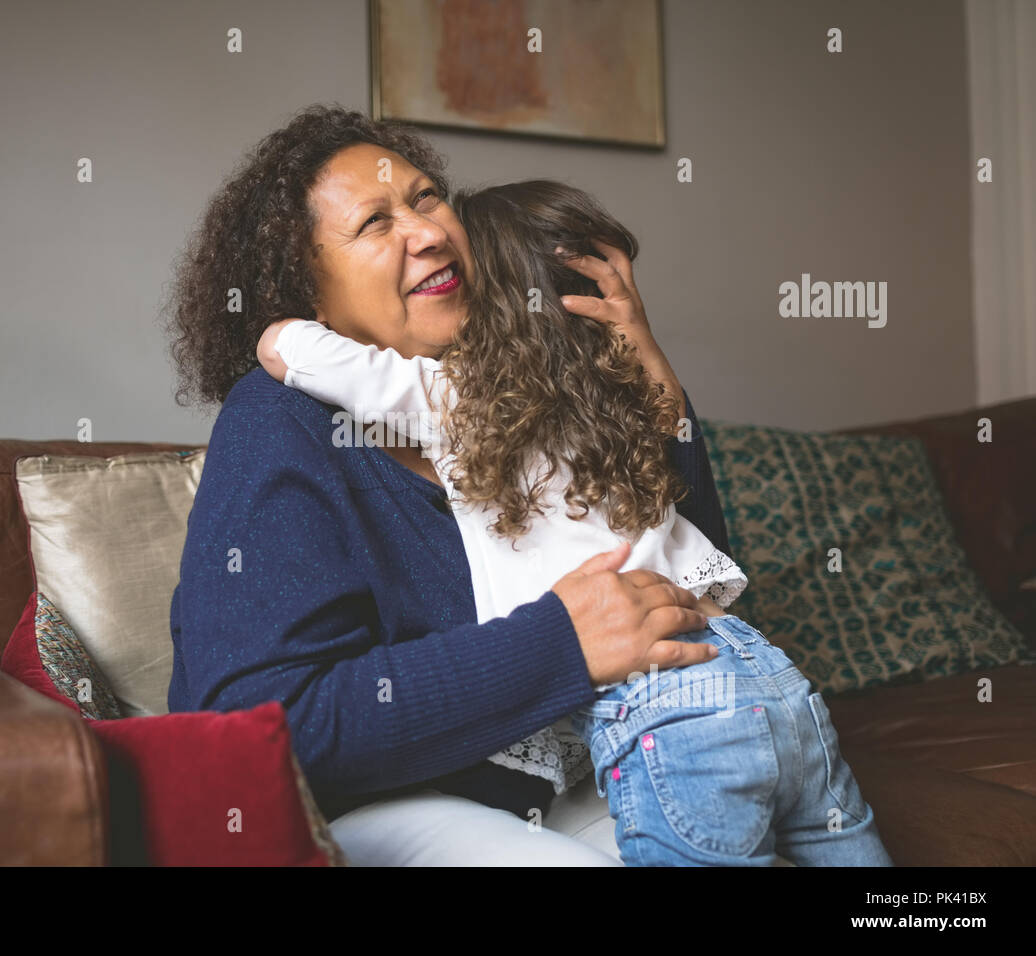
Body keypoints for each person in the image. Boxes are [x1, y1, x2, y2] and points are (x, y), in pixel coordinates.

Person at [166, 104, 750, 864]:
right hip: (387, 809)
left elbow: (695, 589)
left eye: (427, 196)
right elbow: (258, 725)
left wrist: (644, 370)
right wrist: (560, 646)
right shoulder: (277, 424)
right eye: (376, 223)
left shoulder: (523, 387)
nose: (430, 231)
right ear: (306, 294)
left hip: (577, 775)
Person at [252, 179, 894, 866]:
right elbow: (672, 424)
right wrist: (638, 334)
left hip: (671, 704)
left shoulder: (453, 403)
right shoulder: (620, 399)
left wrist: (290, 315)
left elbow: (287, 351)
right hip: (775, 681)